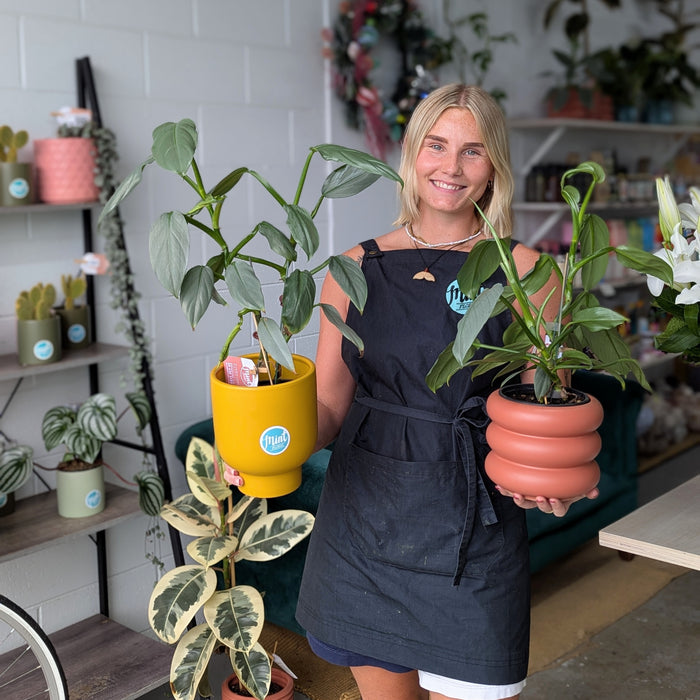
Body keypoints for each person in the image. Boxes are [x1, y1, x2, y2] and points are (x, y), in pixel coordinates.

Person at [295, 83, 598, 700]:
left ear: (494, 169)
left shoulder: (532, 275)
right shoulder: (354, 270)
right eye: (437, 145)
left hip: (474, 535)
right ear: (411, 153)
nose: (450, 167)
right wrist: (264, 444)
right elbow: (328, 408)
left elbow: (549, 412)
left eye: (472, 151)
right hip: (363, 534)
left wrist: (553, 480)